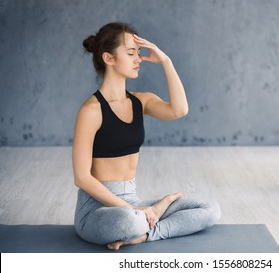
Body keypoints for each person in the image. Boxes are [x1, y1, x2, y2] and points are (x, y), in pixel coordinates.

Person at [72, 22, 221, 250]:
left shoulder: (141, 101)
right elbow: (82, 178)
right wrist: (133, 210)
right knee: (128, 220)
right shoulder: (90, 111)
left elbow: (179, 110)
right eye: (131, 53)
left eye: (139, 53)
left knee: (210, 209)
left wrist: (166, 61)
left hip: (134, 202)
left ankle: (145, 233)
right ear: (109, 58)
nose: (138, 59)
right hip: (96, 210)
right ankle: (148, 220)